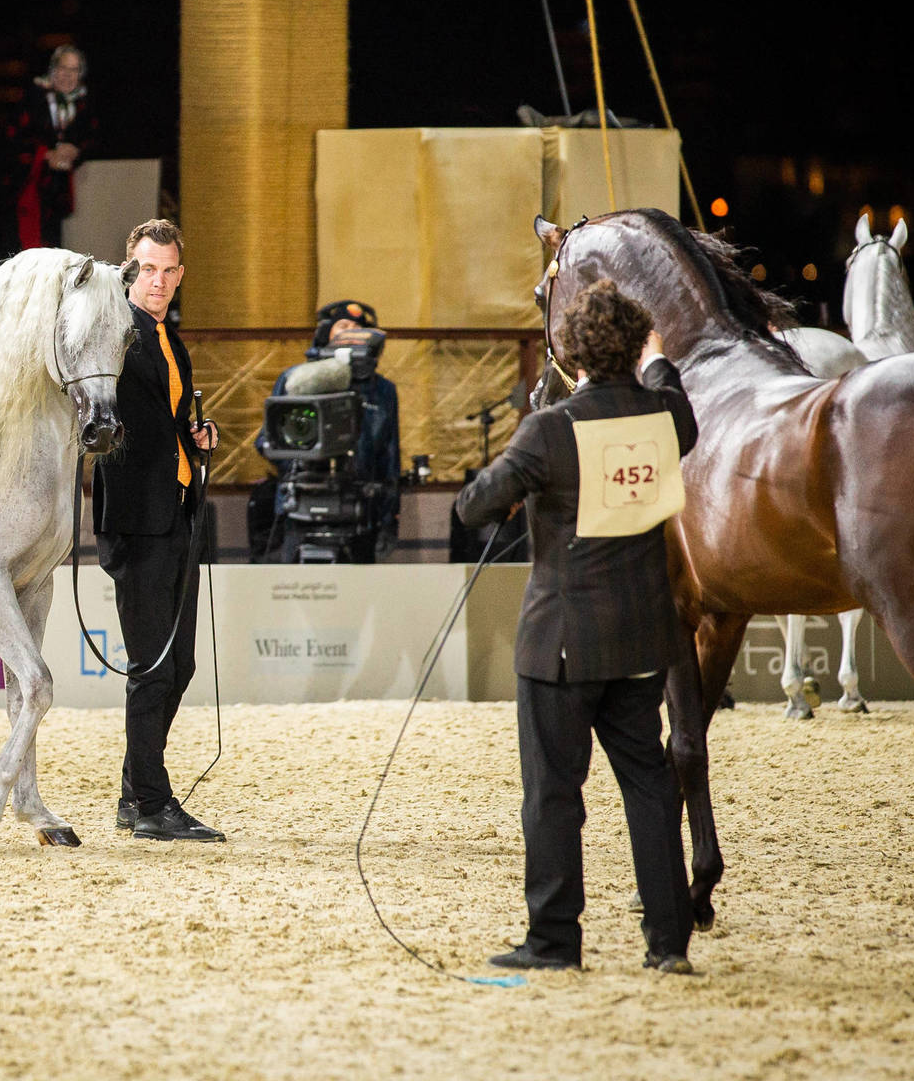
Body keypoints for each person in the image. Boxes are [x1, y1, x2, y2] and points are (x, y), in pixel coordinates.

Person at [455, 279, 697, 975]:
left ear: (572, 353)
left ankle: (555, 941)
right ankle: (668, 943)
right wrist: (655, 360)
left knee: (555, 797)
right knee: (650, 787)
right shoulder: (667, 419)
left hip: (562, 644)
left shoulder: (550, 428)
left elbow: (474, 507)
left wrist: (518, 478)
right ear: (635, 346)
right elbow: (674, 395)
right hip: (642, 638)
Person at [92, 217, 223, 842]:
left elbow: (165, 420)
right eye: (148, 269)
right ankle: (149, 803)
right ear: (129, 271)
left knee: (179, 666)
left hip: (173, 514)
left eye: (170, 271)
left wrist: (196, 437)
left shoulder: (172, 341)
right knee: (153, 667)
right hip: (136, 521)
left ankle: (135, 793)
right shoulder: (113, 338)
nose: (160, 281)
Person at [251, 299, 401, 562]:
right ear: (326, 333)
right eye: (343, 326)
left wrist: (389, 517)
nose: (350, 333)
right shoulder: (295, 379)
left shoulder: (383, 391)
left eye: (357, 328)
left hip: (360, 512)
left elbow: (390, 457)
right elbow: (267, 441)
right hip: (299, 510)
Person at [14, 44, 99, 249]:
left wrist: (76, 151)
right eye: (63, 68)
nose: (67, 75)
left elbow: (95, 138)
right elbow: (16, 137)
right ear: (53, 69)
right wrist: (44, 154)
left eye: (74, 70)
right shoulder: (34, 97)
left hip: (63, 191)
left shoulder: (85, 103)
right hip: (32, 185)